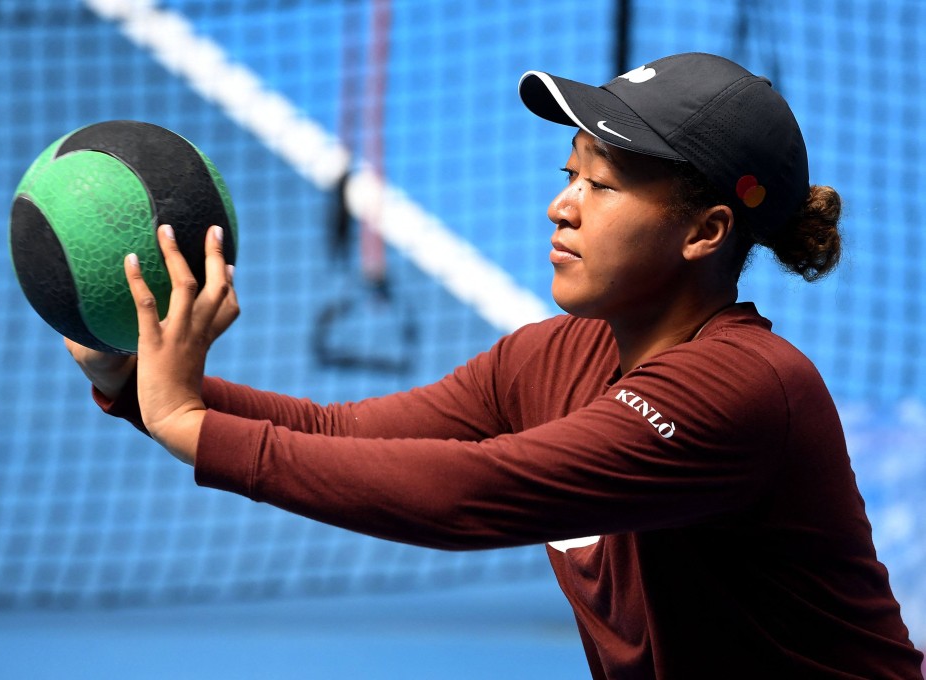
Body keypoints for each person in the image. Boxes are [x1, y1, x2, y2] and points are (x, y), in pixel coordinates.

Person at [67, 53, 924, 678]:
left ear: (705, 231)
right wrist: (136, 385)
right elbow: (338, 432)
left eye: (604, 187)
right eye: (569, 174)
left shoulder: (743, 390)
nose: (561, 206)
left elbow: (471, 491)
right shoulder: (551, 359)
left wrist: (191, 427)